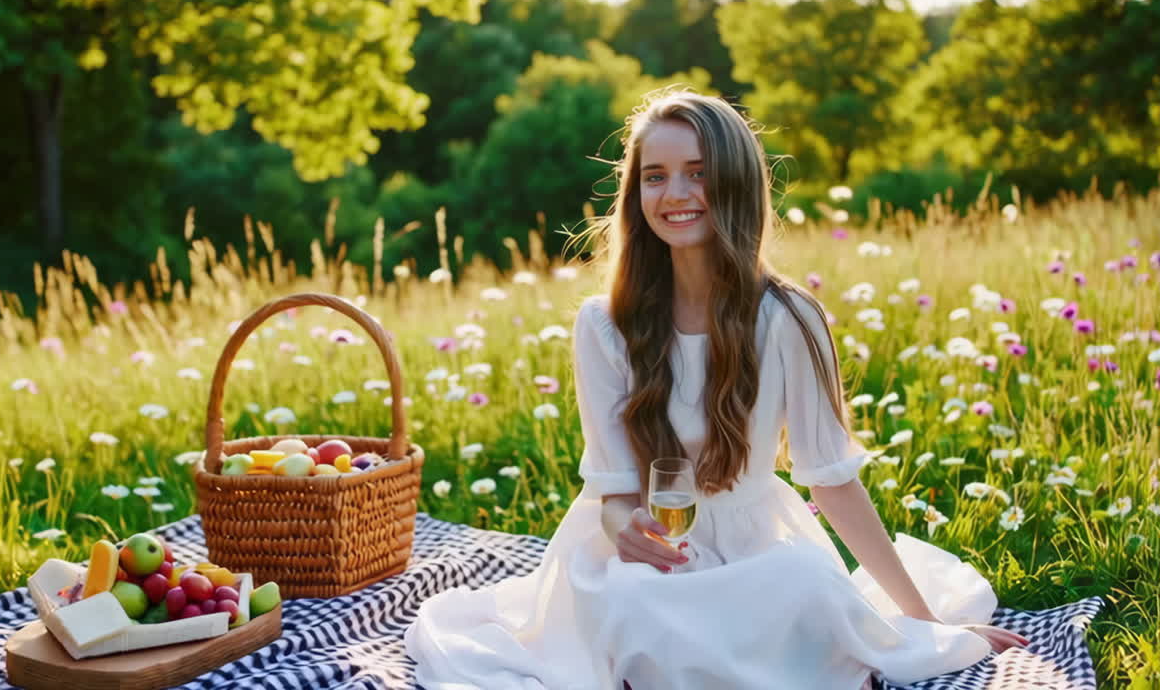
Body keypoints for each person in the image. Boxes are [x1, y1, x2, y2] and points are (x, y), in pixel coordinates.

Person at [403, 88, 1030, 690]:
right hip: (651, 555)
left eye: (696, 173)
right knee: (633, 600)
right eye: (655, 176)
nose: (674, 194)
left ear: (734, 184)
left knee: (805, 581)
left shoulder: (787, 317)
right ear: (634, 192)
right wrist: (625, 527)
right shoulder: (605, 324)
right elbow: (614, 491)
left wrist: (923, 624)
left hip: (756, 544)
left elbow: (832, 481)